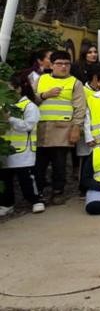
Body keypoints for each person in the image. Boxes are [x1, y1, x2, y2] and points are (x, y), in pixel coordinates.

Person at [34, 51, 86, 205]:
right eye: (59, 63)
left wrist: (76, 128)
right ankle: (39, 192)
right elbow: (30, 99)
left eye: (66, 64)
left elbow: (80, 108)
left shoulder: (75, 83)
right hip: (41, 129)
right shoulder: (41, 79)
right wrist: (44, 95)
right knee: (39, 164)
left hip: (63, 129)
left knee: (59, 164)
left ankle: (58, 192)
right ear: (52, 64)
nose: (63, 67)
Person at [0, 74, 45, 215]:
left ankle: (35, 200)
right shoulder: (3, 105)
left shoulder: (29, 106)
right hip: (6, 150)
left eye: (10, 89)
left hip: (23, 151)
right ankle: (7, 203)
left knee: (26, 178)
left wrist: (10, 119)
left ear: (19, 89)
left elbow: (28, 125)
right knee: (5, 178)